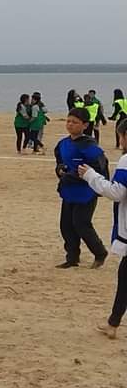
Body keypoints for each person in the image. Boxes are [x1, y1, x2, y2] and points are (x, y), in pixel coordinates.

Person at [79, 118, 127, 338]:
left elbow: (117, 192)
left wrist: (91, 176)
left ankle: (113, 324)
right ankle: (113, 323)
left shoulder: (126, 160)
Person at [54, 107, 109, 269]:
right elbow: (59, 162)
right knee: (66, 225)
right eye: (68, 121)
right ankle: (72, 258)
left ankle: (100, 253)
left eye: (75, 122)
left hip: (86, 192)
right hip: (68, 190)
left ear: (85, 125)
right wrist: (60, 170)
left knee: (81, 224)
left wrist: (95, 183)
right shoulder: (62, 144)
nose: (70, 125)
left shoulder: (89, 146)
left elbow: (100, 167)